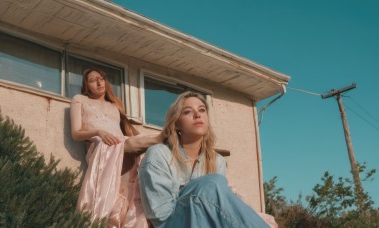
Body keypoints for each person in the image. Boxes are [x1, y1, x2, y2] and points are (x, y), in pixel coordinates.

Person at [138, 91, 271, 228]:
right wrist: (196, 198)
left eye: (202, 110)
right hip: (171, 224)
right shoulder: (159, 154)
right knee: (211, 184)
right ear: (177, 124)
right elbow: (160, 216)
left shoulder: (217, 160)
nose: (197, 115)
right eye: (187, 112)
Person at [70, 68, 161, 227]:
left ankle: (164, 142)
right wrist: (98, 132)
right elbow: (76, 133)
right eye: (92, 80)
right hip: (101, 149)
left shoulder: (115, 105)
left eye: (101, 78)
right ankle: (163, 138)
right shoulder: (80, 99)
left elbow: (124, 131)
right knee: (108, 203)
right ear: (86, 86)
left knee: (126, 196)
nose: (99, 83)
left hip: (123, 150)